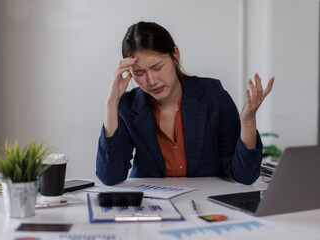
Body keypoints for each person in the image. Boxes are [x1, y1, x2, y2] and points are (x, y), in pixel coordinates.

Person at [96, 21, 274, 186]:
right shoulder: (128, 105)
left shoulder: (213, 95)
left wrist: (248, 121)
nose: (151, 81)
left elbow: (245, 176)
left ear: (175, 55)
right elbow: (110, 176)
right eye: (139, 73)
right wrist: (112, 103)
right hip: (152, 206)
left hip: (207, 203)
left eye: (157, 68)